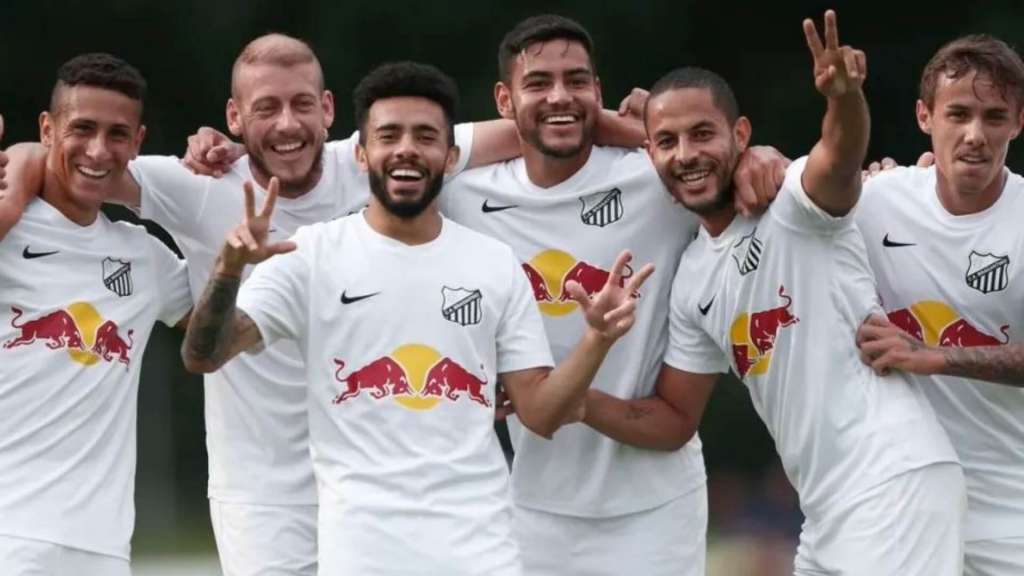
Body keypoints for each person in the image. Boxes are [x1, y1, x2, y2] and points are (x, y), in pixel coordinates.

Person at [1, 32, 535, 576]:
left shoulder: (375, 156)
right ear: (234, 117)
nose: (286, 124)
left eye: (302, 103)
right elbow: (78, 166)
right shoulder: (194, 183)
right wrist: (18, 181)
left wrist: (620, 124)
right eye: (265, 108)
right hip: (262, 495)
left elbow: (530, 131)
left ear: (327, 110)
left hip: (376, 489)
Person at [181, 60, 650, 576]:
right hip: (361, 558)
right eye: (388, 135)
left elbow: (541, 414)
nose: (406, 148)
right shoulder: (309, 255)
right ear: (361, 154)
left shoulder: (493, 263)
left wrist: (596, 341)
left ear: (450, 157)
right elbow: (205, 354)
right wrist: (227, 269)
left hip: (481, 556)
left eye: (425, 136)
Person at [438, 14, 785, 575]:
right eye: (538, 83)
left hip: (657, 502)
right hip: (531, 502)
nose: (560, 96)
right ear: (503, 99)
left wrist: (764, 157)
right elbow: (382, 153)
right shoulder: (460, 194)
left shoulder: (656, 178)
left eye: (577, 81)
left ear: (598, 94)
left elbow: (730, 165)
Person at [636, 11, 964, 574]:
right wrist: (567, 397)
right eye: (667, 141)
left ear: (741, 136)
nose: (685, 153)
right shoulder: (691, 278)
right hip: (824, 513)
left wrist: (843, 99)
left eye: (702, 134)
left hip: (894, 482)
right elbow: (672, 417)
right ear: (650, 156)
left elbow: (839, 156)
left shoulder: (791, 200)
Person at [0, 54, 192, 575]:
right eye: (81, 128)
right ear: (47, 128)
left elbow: (222, 331)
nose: (98, 150)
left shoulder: (144, 256)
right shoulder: (8, 225)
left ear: (138, 142)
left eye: (117, 134)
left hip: (103, 549)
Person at [855, 34, 1024, 575]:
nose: (976, 135)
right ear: (925, 116)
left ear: (1018, 123)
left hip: (1010, 505)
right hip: (900, 503)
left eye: (994, 117)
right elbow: (766, 185)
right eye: (958, 114)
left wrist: (933, 356)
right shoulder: (875, 199)